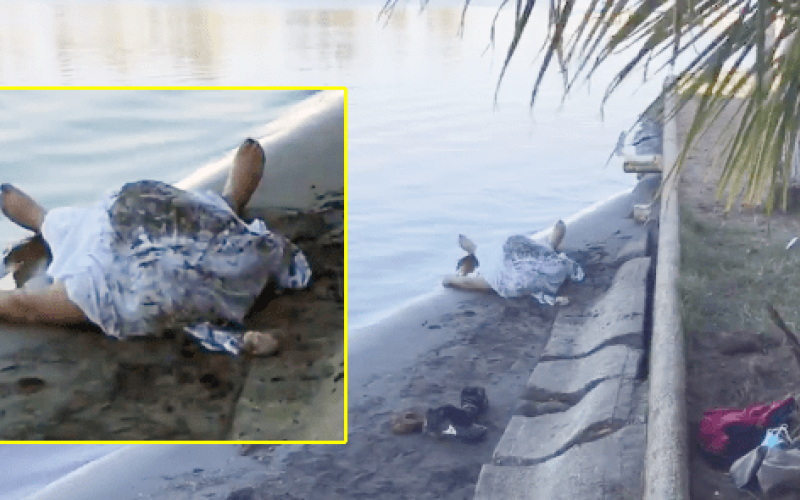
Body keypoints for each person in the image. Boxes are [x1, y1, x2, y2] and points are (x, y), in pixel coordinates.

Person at [0, 138, 311, 356]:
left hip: (130, 261)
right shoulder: (211, 213)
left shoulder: (76, 245)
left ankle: (224, 330)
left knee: (46, 234)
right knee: (222, 224)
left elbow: (23, 306)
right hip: (163, 233)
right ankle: (231, 204)